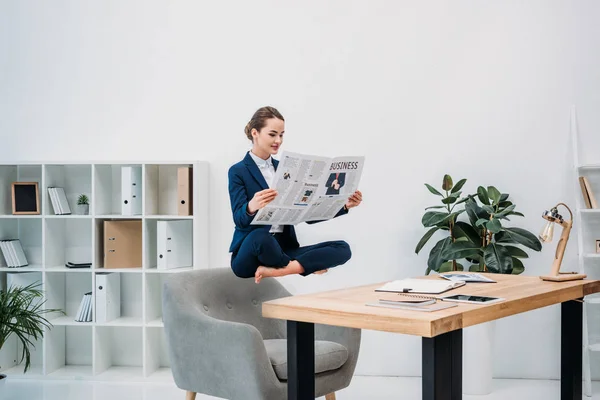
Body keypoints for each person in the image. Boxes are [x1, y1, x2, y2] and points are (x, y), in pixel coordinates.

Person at [228, 106, 363, 283]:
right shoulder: (238, 171)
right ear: (255, 133)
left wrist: (344, 206)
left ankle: (284, 269)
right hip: (250, 253)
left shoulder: (284, 168)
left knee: (342, 248)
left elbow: (309, 216)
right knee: (260, 238)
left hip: (283, 250)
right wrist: (251, 206)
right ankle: (303, 266)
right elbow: (239, 219)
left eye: (282, 135)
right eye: (272, 134)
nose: (278, 140)